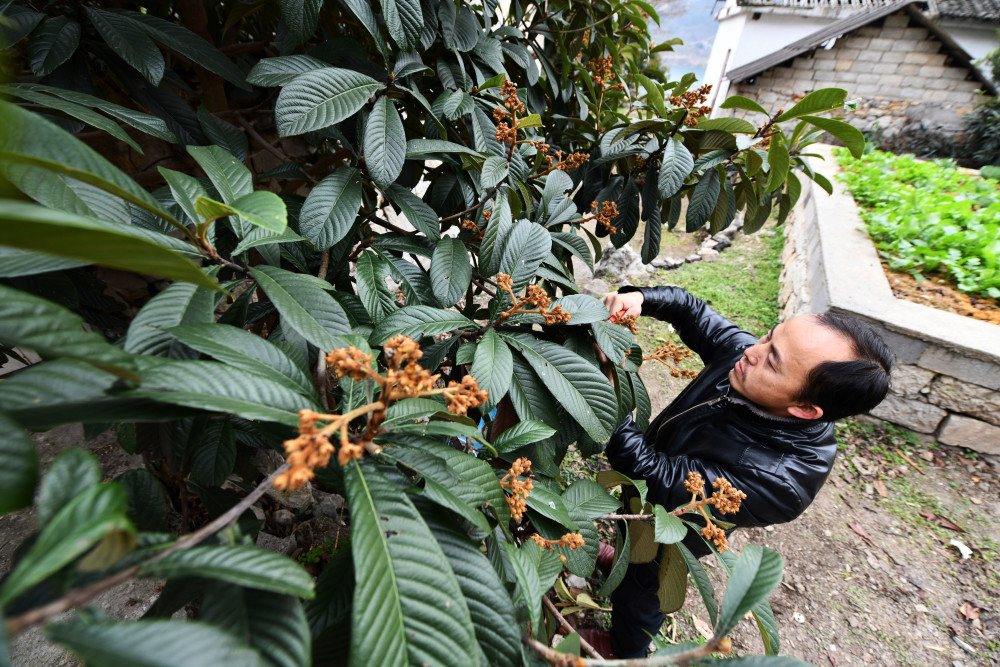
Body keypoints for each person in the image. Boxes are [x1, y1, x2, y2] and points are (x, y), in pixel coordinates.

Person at [590, 285, 894, 658]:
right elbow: (691, 310)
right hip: (643, 492)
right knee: (629, 530)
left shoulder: (783, 481)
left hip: (677, 526)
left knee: (646, 583)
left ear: (804, 408)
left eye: (772, 359)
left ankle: (625, 651)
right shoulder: (748, 358)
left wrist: (603, 392)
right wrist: (641, 299)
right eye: (769, 336)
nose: (752, 350)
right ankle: (620, 558)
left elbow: (655, 474)